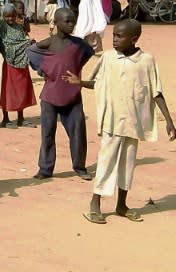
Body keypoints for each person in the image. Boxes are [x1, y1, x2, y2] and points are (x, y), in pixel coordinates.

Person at [63, 20, 176, 224]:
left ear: (133, 39)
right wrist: (79, 82)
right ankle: (95, 203)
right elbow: (97, 83)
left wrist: (169, 120)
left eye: (119, 36)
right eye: (114, 35)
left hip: (134, 122)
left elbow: (156, 91)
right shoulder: (108, 58)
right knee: (106, 161)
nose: (114, 40)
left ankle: (122, 205)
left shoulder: (146, 61)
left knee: (128, 164)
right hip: (112, 121)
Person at [28, 8, 94, 181]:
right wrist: (43, 69)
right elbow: (31, 52)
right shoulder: (48, 43)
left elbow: (88, 53)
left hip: (72, 95)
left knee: (78, 132)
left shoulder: (79, 44)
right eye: (67, 21)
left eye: (73, 21)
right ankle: (45, 168)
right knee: (48, 134)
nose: (71, 24)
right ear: (56, 23)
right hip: (50, 96)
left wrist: (76, 68)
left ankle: (79, 167)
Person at [0, 5, 37, 127]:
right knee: (8, 90)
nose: (10, 18)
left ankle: (20, 118)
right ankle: (5, 119)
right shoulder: (1, 25)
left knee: (22, 90)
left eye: (12, 16)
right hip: (9, 64)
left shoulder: (19, 27)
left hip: (22, 63)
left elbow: (22, 39)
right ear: (3, 16)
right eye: (7, 16)